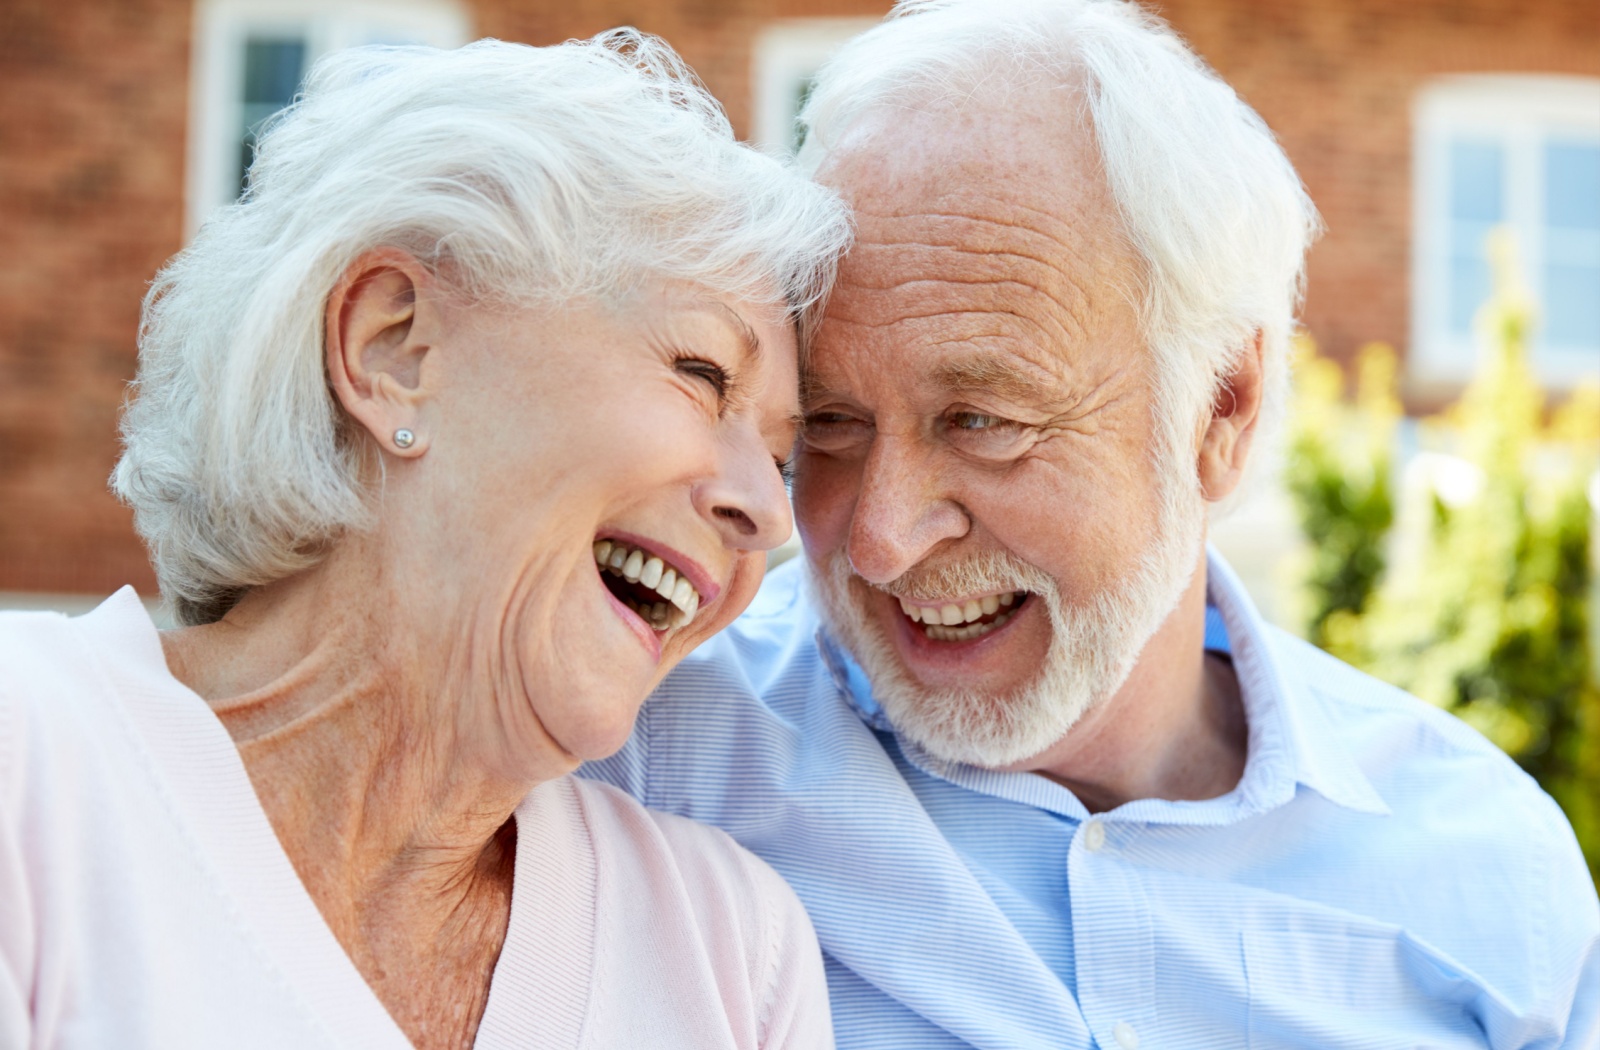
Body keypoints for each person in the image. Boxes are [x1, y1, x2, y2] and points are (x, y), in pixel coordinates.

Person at [582, 2, 1600, 1047]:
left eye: (983, 421)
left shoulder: (1491, 876)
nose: (880, 540)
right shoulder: (647, 755)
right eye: (833, 426)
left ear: (1220, 409)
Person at [0, 32, 850, 1050]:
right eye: (702, 374)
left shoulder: (730, 953)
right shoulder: (33, 764)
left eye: (785, 459)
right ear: (393, 347)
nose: (765, 509)